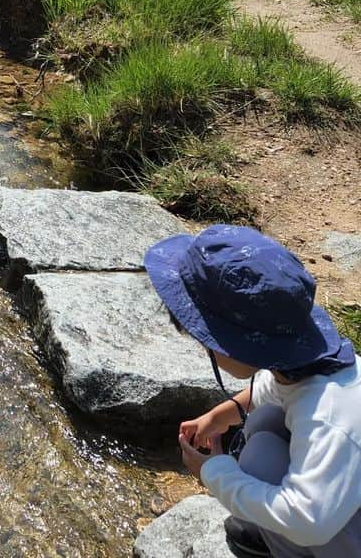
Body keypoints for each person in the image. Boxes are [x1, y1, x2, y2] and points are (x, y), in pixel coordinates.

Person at [145, 224, 360, 558]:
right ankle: (273, 535)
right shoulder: (309, 363)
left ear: (237, 348)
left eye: (207, 344)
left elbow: (308, 521)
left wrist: (214, 473)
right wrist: (219, 417)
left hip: (323, 523)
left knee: (259, 459)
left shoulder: (329, 416)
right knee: (263, 423)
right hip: (344, 500)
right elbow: (272, 391)